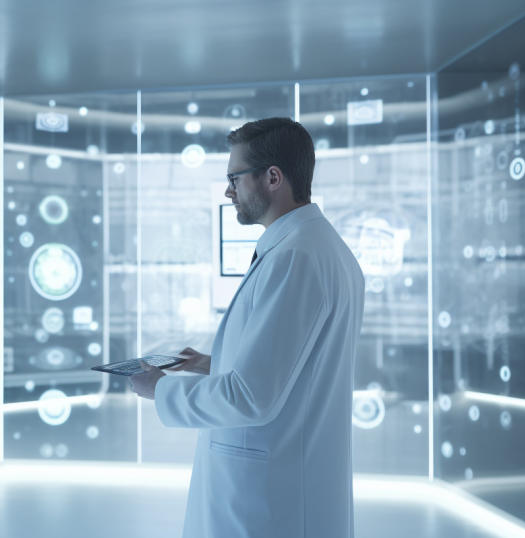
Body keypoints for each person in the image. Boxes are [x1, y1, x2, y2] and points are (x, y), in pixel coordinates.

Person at [130, 117, 365, 538]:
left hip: (268, 504)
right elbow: (294, 369)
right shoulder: (318, 248)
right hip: (285, 486)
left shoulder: (297, 258)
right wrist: (211, 363)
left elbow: (251, 398)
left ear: (273, 177)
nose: (228, 190)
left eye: (235, 177)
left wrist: (159, 389)